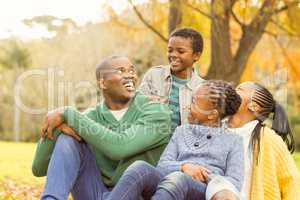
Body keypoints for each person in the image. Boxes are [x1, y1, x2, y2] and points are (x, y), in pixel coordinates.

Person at [31, 56, 172, 200]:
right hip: (94, 192)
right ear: (103, 83)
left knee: (138, 168)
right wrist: (57, 127)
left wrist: (67, 114)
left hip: (134, 194)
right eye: (121, 71)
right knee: (69, 138)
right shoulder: (89, 118)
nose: (130, 75)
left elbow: (120, 147)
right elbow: (39, 168)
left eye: (131, 70)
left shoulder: (156, 111)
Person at [106, 80, 244, 200]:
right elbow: (162, 166)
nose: (188, 106)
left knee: (178, 179)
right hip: (171, 182)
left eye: (194, 102)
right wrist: (183, 167)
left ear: (212, 115)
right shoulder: (182, 131)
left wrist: (205, 174)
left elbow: (235, 182)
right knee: (140, 167)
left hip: (202, 189)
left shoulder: (233, 140)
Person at [222, 81, 300, 200]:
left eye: (239, 89)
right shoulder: (215, 128)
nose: (232, 90)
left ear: (253, 106)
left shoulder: (269, 139)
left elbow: (291, 182)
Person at [139, 28, 205, 132]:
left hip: (183, 146)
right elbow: (138, 106)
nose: (173, 55)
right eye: (170, 50)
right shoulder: (154, 75)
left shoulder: (203, 88)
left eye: (181, 51)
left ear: (196, 55)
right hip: (151, 143)